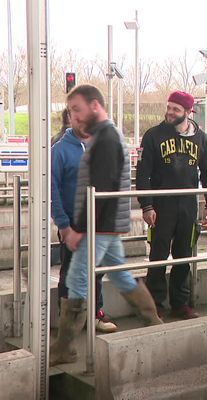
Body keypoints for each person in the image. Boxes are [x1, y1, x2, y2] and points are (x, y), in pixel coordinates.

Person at [50, 84, 162, 367]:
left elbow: (97, 190)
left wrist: (78, 228)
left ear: (95, 106)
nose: (73, 116)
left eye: (77, 109)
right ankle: (155, 323)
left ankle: (64, 348)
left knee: (76, 280)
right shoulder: (107, 136)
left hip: (99, 225)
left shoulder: (105, 140)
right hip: (107, 224)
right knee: (122, 277)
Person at [136, 90, 207, 320]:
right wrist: (147, 205)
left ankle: (181, 303)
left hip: (188, 207)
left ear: (188, 112)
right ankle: (155, 305)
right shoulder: (153, 136)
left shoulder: (201, 139)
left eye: (176, 109)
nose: (170, 112)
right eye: (169, 107)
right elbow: (143, 174)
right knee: (158, 258)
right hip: (161, 207)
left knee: (184, 257)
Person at [51, 112, 117, 333]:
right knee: (70, 271)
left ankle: (95, 313)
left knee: (97, 269)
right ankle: (68, 320)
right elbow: (53, 190)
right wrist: (63, 224)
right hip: (73, 223)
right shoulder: (59, 150)